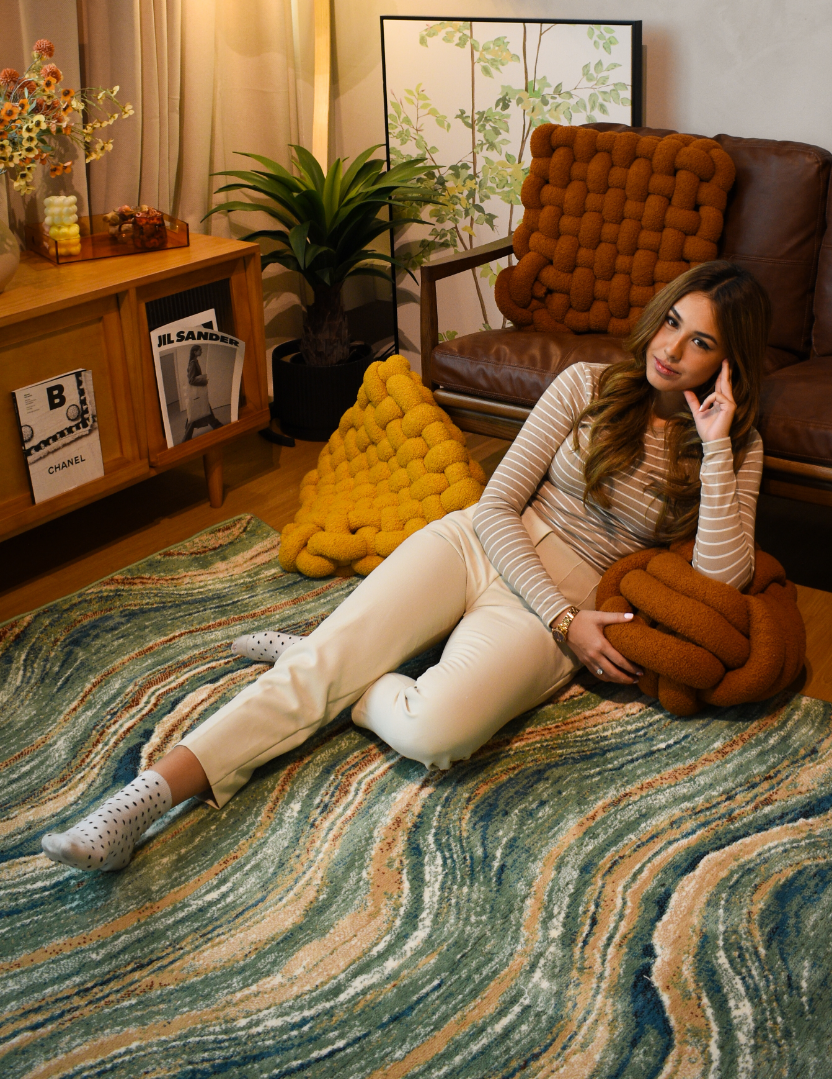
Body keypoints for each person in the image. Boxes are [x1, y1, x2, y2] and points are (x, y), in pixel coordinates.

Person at [41, 260, 771, 873]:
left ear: (728, 361)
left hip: (560, 612)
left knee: (437, 735)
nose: (672, 348)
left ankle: (334, 663)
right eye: (673, 321)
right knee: (315, 679)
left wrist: (712, 448)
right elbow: (494, 507)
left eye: (700, 342)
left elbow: (720, 579)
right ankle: (138, 803)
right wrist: (562, 615)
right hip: (486, 549)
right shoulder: (586, 384)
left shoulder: (736, 447)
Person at [182, 344, 222, 440]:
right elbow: (191, 380)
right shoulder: (192, 363)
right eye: (200, 350)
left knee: (202, 411)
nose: (201, 352)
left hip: (198, 395)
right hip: (197, 395)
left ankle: (217, 425)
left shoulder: (195, 362)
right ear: (195, 352)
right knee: (199, 413)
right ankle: (218, 426)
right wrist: (204, 381)